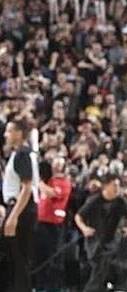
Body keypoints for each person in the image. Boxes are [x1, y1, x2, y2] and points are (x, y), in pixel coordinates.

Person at [74, 173, 127, 292]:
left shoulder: (120, 201)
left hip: (114, 241)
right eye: (114, 185)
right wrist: (84, 229)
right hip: (96, 241)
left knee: (124, 265)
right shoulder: (94, 201)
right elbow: (78, 216)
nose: (117, 188)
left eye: (118, 186)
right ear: (105, 186)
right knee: (101, 266)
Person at [2, 117, 39, 292]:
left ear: (19, 133)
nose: (5, 135)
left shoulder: (22, 154)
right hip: (20, 208)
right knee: (16, 260)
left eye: (9, 131)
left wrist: (13, 216)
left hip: (21, 209)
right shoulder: (23, 153)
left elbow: (26, 188)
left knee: (18, 260)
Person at [34, 156, 72, 292]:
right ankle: (39, 286)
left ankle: (53, 288)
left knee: (53, 257)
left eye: (59, 164)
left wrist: (38, 182)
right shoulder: (48, 180)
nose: (56, 166)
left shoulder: (64, 182)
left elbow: (51, 193)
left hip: (54, 225)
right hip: (40, 222)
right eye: (54, 163)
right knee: (40, 256)